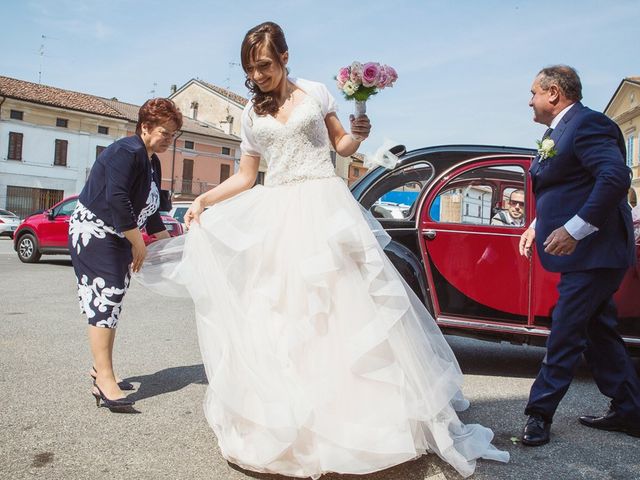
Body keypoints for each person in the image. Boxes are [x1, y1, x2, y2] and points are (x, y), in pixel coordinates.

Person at [138, 21, 508, 478]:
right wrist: (204, 200)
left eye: (266, 66)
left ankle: (364, 422)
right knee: (285, 314)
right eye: (252, 70)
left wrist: (360, 131)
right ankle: (299, 425)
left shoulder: (315, 92)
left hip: (325, 206)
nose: (259, 77)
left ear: (286, 58)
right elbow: (245, 176)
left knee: (344, 309)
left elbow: (344, 148)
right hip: (278, 212)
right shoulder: (251, 116)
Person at [519, 65, 640, 446]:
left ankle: (539, 414)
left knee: (566, 328)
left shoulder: (589, 124)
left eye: (534, 92)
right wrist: (537, 225)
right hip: (590, 253)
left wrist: (574, 229)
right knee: (598, 330)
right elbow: (566, 186)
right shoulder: (559, 131)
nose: (530, 100)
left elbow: (615, 177)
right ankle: (630, 411)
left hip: (596, 252)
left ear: (553, 93)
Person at [69, 98, 182, 411]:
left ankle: (100, 371)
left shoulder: (152, 161)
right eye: (165, 133)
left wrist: (169, 245)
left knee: (112, 302)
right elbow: (117, 198)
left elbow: (154, 211)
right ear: (144, 127)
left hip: (118, 235)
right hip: (94, 231)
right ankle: (104, 377)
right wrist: (139, 243)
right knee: (106, 298)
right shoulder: (125, 151)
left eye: (173, 136)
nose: (169, 140)